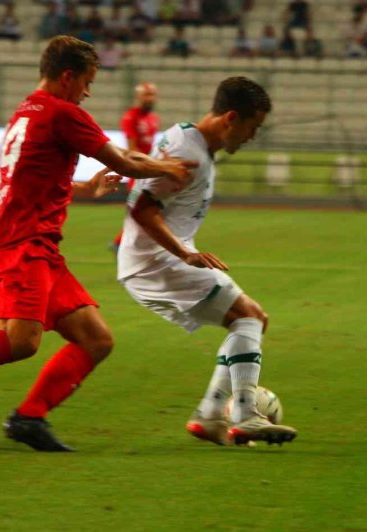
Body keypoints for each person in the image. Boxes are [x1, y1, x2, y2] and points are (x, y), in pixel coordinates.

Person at [0, 36, 197, 452]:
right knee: (20, 342)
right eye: (87, 82)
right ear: (67, 77)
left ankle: (29, 417)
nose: (88, 91)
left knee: (96, 340)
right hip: (21, 243)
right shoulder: (62, 112)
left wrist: (85, 187)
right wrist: (168, 167)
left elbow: (34, 174)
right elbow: (122, 160)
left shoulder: (28, 109)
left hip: (38, 246)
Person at [117, 77, 297, 446]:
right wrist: (184, 253)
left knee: (252, 319)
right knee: (247, 316)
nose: (252, 136)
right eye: (252, 127)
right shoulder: (190, 151)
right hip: (159, 261)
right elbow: (143, 209)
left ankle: (211, 416)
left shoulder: (188, 139)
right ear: (231, 118)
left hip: (154, 260)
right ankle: (245, 415)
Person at [111, 82, 160, 253]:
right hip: (137, 171)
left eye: (153, 94)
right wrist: (151, 163)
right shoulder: (130, 117)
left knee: (145, 212)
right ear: (139, 97)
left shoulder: (153, 119)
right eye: (147, 95)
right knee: (141, 212)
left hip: (149, 169)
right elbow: (132, 148)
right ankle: (120, 244)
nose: (151, 98)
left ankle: (121, 243)